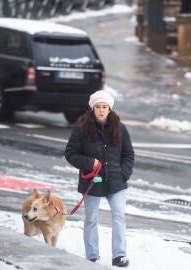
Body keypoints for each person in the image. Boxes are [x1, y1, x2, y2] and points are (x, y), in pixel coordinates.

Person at [65, 90, 134, 267]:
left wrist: (123, 173)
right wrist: (89, 163)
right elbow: (71, 153)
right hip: (92, 182)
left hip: (116, 182)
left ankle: (119, 255)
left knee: (119, 216)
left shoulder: (120, 128)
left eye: (104, 107)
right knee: (91, 219)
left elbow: (128, 154)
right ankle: (92, 256)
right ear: (93, 108)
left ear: (110, 109)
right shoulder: (82, 130)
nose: (101, 110)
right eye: (98, 107)